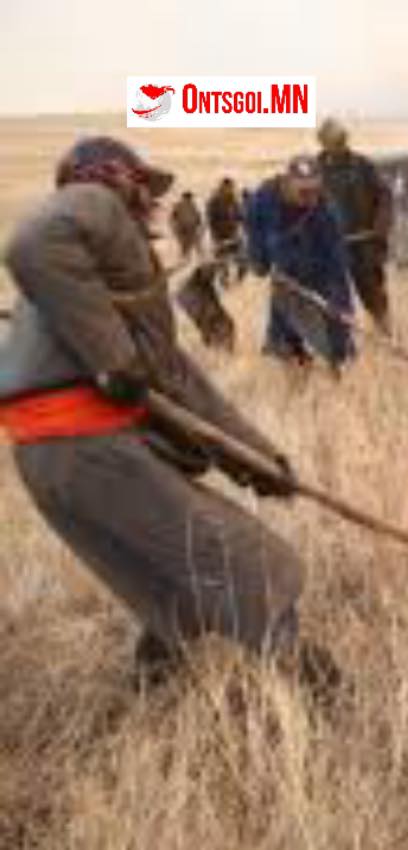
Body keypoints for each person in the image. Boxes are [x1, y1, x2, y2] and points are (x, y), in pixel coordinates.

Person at [0, 136, 323, 689]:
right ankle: (317, 689)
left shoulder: (95, 278)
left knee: (168, 580)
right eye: (142, 183)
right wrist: (110, 359)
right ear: (114, 178)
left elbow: (177, 380)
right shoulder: (94, 203)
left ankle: (155, 687)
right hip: (86, 443)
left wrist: (259, 461)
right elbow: (30, 242)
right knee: (243, 563)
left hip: (52, 457)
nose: (150, 197)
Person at [246, 154, 355, 372]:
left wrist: (339, 302)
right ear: (288, 182)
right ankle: (296, 374)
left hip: (319, 273)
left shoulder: (326, 209)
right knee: (286, 337)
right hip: (286, 277)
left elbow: (337, 261)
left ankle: (335, 371)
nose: (310, 196)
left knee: (335, 335)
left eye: (314, 190)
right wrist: (258, 257)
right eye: (303, 191)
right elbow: (253, 226)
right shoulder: (264, 197)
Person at [316, 117, 393, 334]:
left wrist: (380, 228)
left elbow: (384, 197)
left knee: (374, 297)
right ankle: (341, 348)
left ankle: (386, 334)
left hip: (364, 244)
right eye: (334, 142)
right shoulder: (315, 171)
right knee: (333, 301)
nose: (339, 145)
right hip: (331, 248)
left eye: (341, 140)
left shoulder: (363, 166)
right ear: (324, 143)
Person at [206, 177, 247, 285]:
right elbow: (210, 219)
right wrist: (214, 235)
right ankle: (224, 281)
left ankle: (239, 279)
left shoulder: (234, 200)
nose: (229, 189)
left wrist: (243, 223)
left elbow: (240, 215)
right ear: (222, 187)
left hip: (234, 233)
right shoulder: (214, 201)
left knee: (242, 259)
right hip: (220, 234)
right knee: (222, 261)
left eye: (231, 187)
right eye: (227, 187)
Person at [168, 190, 203, 261]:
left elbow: (173, 216)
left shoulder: (179, 205)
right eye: (190, 197)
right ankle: (199, 256)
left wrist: (175, 225)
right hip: (189, 227)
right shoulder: (191, 205)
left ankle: (186, 257)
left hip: (184, 227)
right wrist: (198, 223)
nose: (190, 199)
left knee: (187, 243)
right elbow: (197, 216)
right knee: (194, 242)